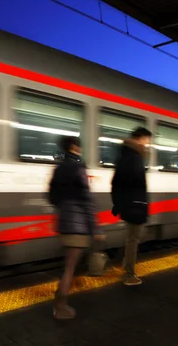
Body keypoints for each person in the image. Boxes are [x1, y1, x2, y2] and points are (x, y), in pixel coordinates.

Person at [48, 136, 104, 320]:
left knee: (69, 266)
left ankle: (60, 299)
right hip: (78, 226)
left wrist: (64, 207)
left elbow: (51, 196)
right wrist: (95, 228)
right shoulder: (79, 168)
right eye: (79, 146)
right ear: (74, 147)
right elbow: (87, 200)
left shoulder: (59, 168)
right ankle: (60, 307)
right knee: (70, 268)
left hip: (64, 222)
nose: (81, 149)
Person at [111, 127, 152, 286]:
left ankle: (125, 265)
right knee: (133, 239)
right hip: (135, 205)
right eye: (147, 140)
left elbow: (116, 182)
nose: (148, 144)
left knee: (131, 238)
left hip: (129, 204)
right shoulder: (135, 157)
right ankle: (129, 274)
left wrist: (118, 203)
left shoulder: (125, 155)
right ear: (141, 138)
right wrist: (140, 204)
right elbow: (137, 185)